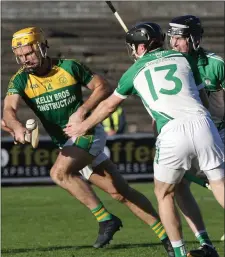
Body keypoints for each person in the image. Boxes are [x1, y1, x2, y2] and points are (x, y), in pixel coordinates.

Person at [2, 26, 175, 255]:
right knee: (119, 192)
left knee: (59, 173)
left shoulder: (69, 67)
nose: (26, 60)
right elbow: (8, 111)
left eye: (29, 53)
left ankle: (105, 220)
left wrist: (83, 110)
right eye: (21, 56)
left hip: (87, 133)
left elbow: (102, 86)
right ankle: (168, 237)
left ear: (42, 47)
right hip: (67, 144)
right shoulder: (21, 80)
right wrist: (16, 127)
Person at [64, 22, 225, 257]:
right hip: (203, 123)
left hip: (171, 130)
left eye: (133, 47)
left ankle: (179, 253)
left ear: (140, 47)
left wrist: (83, 126)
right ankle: (206, 245)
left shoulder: (133, 71)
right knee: (218, 183)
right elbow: (202, 98)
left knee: (164, 193)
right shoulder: (182, 58)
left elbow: (109, 105)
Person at [167, 15, 224, 257]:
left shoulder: (215, 64)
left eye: (179, 39)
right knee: (178, 184)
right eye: (172, 38)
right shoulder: (170, 64)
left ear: (194, 39)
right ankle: (206, 244)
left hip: (218, 132)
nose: (174, 44)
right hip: (186, 132)